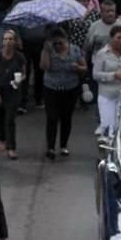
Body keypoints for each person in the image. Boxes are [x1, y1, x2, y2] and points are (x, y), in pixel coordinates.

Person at [40, 28, 86, 159]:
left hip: (70, 88)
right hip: (51, 88)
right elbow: (44, 67)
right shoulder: (49, 50)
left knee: (66, 118)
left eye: (61, 43)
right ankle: (50, 147)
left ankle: (63, 145)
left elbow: (84, 67)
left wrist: (77, 67)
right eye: (55, 43)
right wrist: (45, 50)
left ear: (66, 40)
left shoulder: (75, 50)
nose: (58, 46)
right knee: (52, 117)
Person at [0, 30, 26, 160]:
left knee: (10, 120)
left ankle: (11, 148)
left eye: (11, 39)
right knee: (0, 119)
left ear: (15, 42)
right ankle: (2, 140)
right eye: (5, 39)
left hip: (13, 92)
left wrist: (20, 79)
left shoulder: (19, 57)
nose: (8, 41)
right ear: (2, 41)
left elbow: (24, 73)